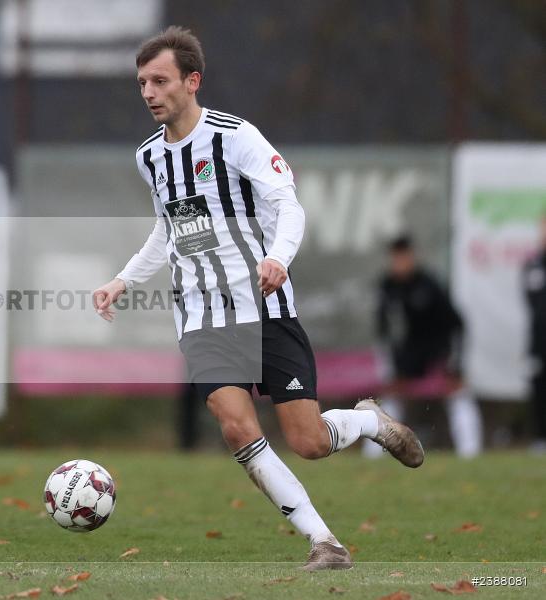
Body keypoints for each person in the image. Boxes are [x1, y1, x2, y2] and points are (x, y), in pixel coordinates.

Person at [92, 26, 424, 571]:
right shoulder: (149, 156)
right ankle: (325, 543)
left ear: (192, 81)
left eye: (160, 81)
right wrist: (123, 279)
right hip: (201, 315)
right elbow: (166, 230)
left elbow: (288, 206)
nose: (149, 93)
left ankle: (368, 422)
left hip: (264, 307)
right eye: (142, 83)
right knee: (236, 427)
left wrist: (278, 257)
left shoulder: (236, 136)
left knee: (309, 441)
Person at [366, 235, 482, 459]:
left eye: (403, 257)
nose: (399, 263)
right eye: (395, 258)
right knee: (392, 393)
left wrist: (455, 359)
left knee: (457, 391)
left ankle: (470, 451)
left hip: (438, 347)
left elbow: (456, 323)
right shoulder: (387, 286)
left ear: (412, 257)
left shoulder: (429, 283)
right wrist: (388, 360)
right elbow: (383, 328)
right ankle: (373, 452)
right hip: (409, 350)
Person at [522, 217, 546, 453]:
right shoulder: (533, 265)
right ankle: (541, 438)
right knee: (539, 389)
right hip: (539, 342)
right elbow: (532, 302)